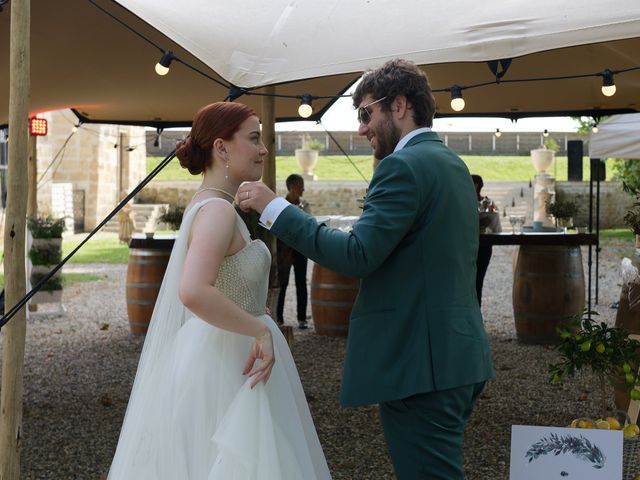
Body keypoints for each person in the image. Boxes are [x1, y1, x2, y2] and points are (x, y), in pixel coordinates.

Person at [238, 59, 495, 480]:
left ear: (398, 105)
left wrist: (274, 208)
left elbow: (357, 254)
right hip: (458, 356)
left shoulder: (401, 167)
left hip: (420, 366)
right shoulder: (452, 165)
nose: (361, 129)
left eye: (364, 113)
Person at [108, 102, 330, 480]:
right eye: (254, 139)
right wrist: (258, 328)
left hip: (221, 350)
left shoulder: (212, 205)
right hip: (224, 359)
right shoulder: (219, 212)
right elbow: (193, 290)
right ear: (221, 148)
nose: (263, 149)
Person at [276, 174, 311, 329]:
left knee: (301, 283)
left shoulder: (305, 205)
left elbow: (310, 224)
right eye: (299, 185)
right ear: (291, 187)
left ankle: (302, 318)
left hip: (301, 250)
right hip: (285, 251)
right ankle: (278, 318)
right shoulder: (281, 206)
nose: (302, 188)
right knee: (282, 284)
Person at [472, 174, 501, 306]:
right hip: (468, 246)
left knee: (478, 281)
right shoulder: (462, 202)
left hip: (482, 246)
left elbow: (496, 228)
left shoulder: (488, 204)